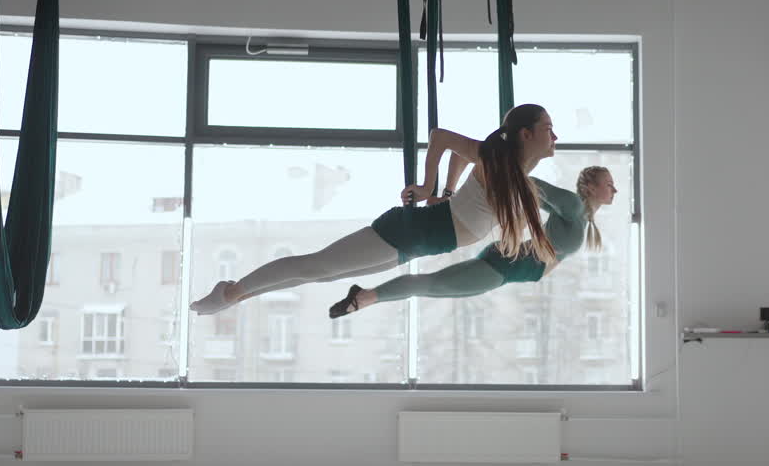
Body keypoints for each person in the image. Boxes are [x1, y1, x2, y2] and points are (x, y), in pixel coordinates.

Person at [190, 104, 558, 315]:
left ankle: (233, 296)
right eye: (548, 128)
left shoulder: (513, 169)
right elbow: (441, 138)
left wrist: (446, 191)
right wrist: (428, 187)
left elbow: (462, 158)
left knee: (320, 275)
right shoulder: (500, 162)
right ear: (526, 134)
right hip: (413, 233)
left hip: (420, 243)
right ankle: (231, 292)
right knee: (314, 265)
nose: (554, 136)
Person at [328, 166, 617, 317]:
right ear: (590, 187)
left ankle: (365, 295)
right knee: (429, 286)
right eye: (608, 183)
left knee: (430, 287)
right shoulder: (573, 205)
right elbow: (529, 185)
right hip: (507, 266)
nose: (613, 189)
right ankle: (364, 296)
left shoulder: (581, 216)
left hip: (511, 269)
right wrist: (505, 174)